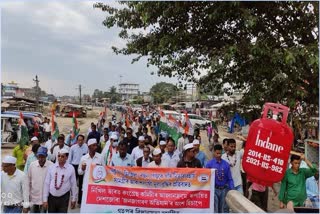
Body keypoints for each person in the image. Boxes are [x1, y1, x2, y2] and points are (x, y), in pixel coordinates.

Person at [43, 149, 77, 213]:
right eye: (59, 156)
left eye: (62, 156)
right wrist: (45, 199)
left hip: (64, 197)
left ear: (67, 157)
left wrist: (73, 198)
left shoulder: (71, 168)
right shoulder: (51, 167)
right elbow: (47, 183)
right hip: (51, 197)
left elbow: (73, 184)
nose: (60, 158)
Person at [206, 144, 234, 213]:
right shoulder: (209, 164)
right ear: (214, 152)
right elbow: (206, 178)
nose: (219, 155)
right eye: (217, 153)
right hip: (214, 190)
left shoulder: (226, 164)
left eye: (220, 153)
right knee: (215, 208)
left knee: (221, 209)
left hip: (223, 190)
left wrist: (232, 189)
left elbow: (229, 178)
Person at [26, 147, 53, 213]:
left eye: (42, 157)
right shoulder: (32, 165)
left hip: (45, 199)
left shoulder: (51, 165)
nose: (40, 159)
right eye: (39, 157)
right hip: (33, 197)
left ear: (46, 156)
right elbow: (28, 181)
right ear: (37, 156)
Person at [78, 138, 104, 205]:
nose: (96, 147)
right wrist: (82, 169)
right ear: (89, 147)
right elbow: (79, 172)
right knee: (86, 204)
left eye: (96, 145)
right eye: (94, 145)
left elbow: (104, 171)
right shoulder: (83, 158)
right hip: (86, 186)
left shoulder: (100, 157)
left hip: (97, 186)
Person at [68, 134, 88, 205]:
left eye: (81, 140)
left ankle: (79, 201)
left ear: (83, 140)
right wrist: (69, 168)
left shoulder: (86, 147)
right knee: (73, 184)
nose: (80, 141)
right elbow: (69, 159)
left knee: (81, 185)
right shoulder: (73, 148)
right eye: (79, 140)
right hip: (74, 166)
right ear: (77, 140)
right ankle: (73, 200)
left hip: (82, 167)